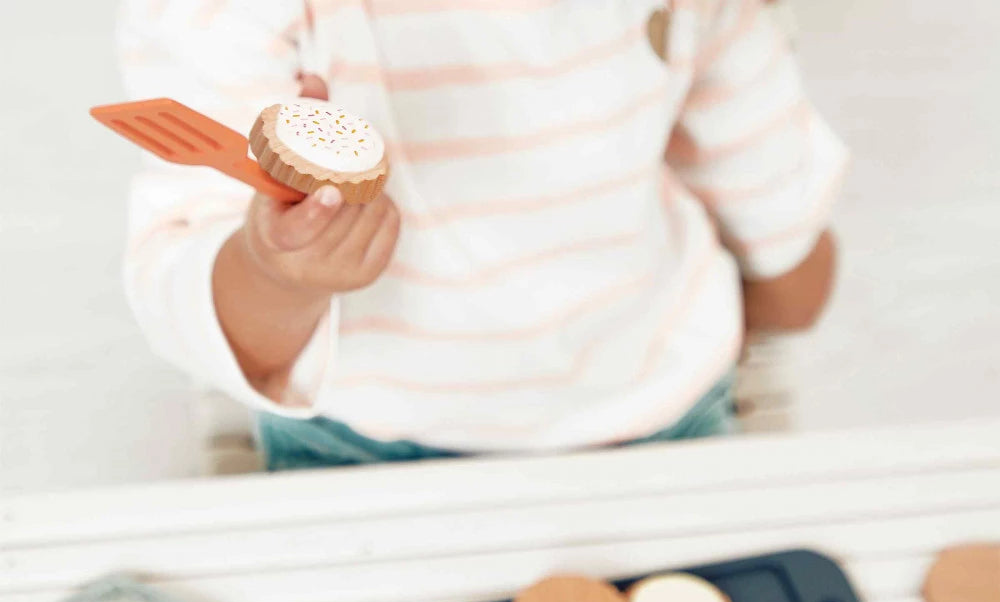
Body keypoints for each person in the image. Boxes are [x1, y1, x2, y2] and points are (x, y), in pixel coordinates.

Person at [119, 0, 847, 470]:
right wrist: (276, 273)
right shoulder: (229, 17)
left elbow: (782, 247)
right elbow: (195, 296)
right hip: (361, 439)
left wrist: (784, 267)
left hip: (659, 407)